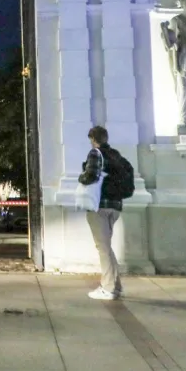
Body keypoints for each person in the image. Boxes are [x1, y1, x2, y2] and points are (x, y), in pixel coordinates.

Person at [79, 125, 124, 300]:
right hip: (115, 206)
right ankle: (116, 285)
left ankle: (108, 288)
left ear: (93, 138)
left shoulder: (95, 154)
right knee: (107, 247)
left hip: (99, 205)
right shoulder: (115, 155)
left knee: (103, 248)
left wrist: (81, 177)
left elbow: (91, 175)